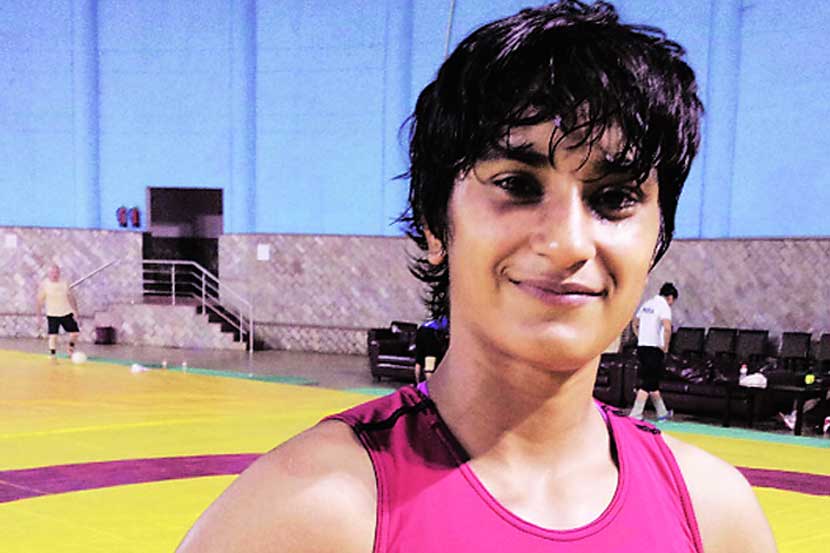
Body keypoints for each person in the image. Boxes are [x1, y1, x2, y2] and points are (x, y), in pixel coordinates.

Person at [177, 2, 776, 551]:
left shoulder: (714, 515)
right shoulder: (308, 512)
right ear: (435, 223)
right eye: (517, 185)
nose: (568, 243)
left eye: (615, 197)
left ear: (657, 235)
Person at [628, 282, 678, 421]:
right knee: (648, 382)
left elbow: (634, 322)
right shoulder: (664, 306)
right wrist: (665, 347)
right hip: (655, 348)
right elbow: (667, 328)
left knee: (652, 381)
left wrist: (639, 336)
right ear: (670, 297)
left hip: (642, 347)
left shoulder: (647, 304)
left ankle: (662, 413)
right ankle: (635, 414)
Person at [35, 264, 80, 360]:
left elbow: (71, 297)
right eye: (52, 273)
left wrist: (75, 311)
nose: (54, 275)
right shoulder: (45, 284)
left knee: (75, 333)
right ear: (48, 274)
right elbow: (39, 301)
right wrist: (39, 316)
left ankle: (70, 347)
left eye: (56, 273)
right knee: (53, 336)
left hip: (66, 312)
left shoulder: (65, 283)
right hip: (52, 314)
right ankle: (52, 353)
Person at [413, 315, 449, 382]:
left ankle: (418, 385)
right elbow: (445, 329)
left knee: (419, 361)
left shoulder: (438, 317)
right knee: (429, 364)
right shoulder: (447, 318)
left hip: (421, 330)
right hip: (431, 333)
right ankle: (430, 387)